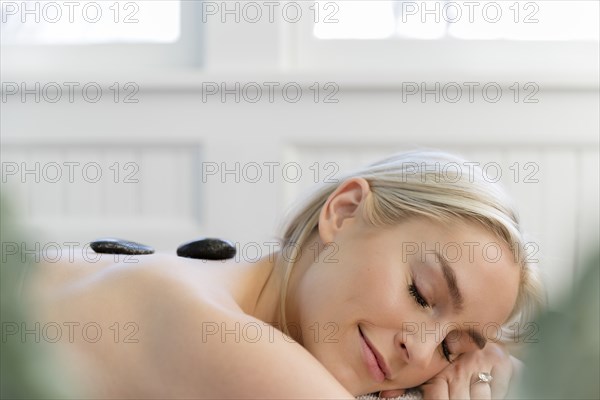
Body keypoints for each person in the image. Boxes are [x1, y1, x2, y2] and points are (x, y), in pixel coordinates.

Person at [17, 150, 544, 399]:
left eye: (452, 349)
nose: (422, 352)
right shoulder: (215, 332)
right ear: (344, 213)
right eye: (420, 293)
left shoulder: (214, 280)